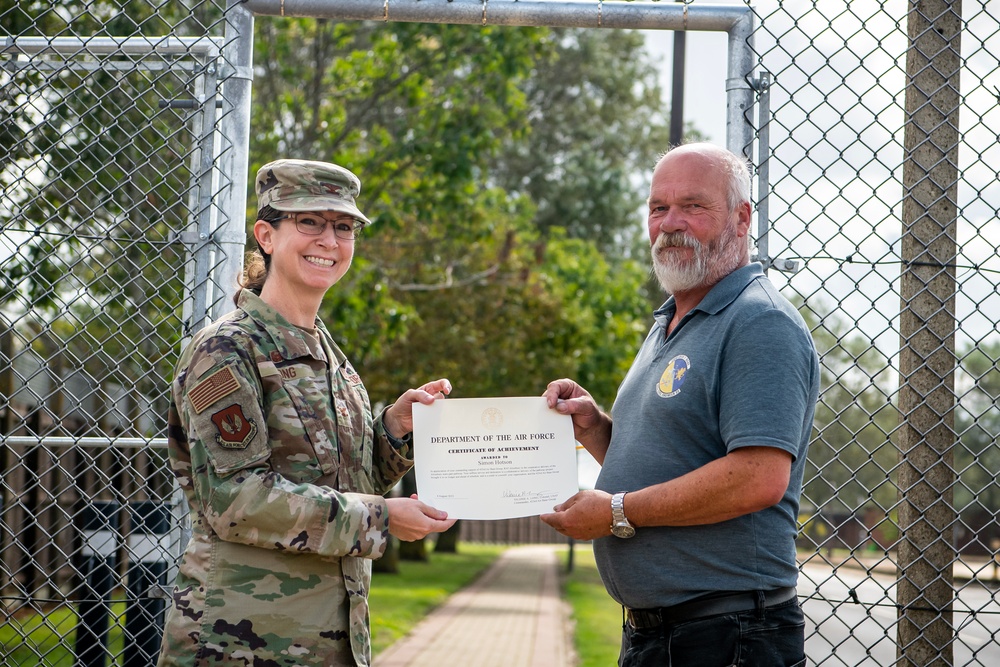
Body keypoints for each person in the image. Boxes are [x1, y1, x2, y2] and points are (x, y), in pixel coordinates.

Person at [157, 159, 456, 667]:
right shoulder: (227, 351)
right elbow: (237, 499)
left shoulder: (330, 356)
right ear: (266, 236)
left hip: (333, 640)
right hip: (240, 644)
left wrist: (393, 430)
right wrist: (380, 520)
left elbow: (348, 479)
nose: (330, 240)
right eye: (309, 222)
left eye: (343, 227)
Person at [540, 143, 819, 666]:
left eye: (693, 206)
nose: (671, 223)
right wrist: (595, 429)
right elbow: (676, 456)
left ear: (741, 219)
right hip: (666, 636)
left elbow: (759, 476)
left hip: (729, 635)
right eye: (657, 208)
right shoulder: (671, 322)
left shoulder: (759, 322)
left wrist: (616, 513)